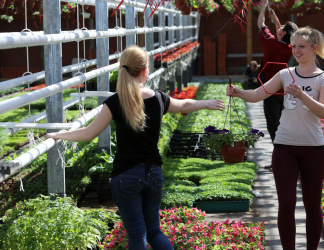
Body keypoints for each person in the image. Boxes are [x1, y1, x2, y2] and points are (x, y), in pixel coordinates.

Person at [46, 46, 225, 250]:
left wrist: (58, 134)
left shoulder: (115, 102)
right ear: (144, 70)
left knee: (137, 235)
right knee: (154, 232)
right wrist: (206, 103)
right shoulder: (158, 98)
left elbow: (89, 133)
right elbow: (183, 105)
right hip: (154, 174)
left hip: (126, 177)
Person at [226, 27, 324, 250]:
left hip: (314, 149)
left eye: (301, 46)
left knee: (312, 205)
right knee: (286, 203)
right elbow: (258, 94)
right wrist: (238, 92)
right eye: (293, 46)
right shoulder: (286, 73)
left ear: (314, 49)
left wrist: (301, 94)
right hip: (284, 148)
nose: (295, 50)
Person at [257, 0, 298, 168]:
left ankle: (281, 161)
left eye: (281, 29)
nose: (278, 29)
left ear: (282, 34)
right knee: (282, 123)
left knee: (273, 125)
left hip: (269, 88)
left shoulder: (270, 42)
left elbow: (260, 23)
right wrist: (276, 21)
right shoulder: (289, 49)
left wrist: (264, 6)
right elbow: (281, 37)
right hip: (284, 88)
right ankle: (285, 157)